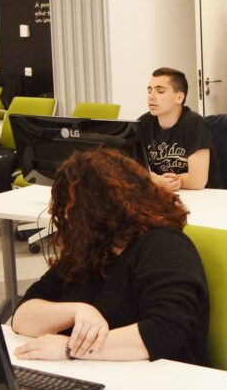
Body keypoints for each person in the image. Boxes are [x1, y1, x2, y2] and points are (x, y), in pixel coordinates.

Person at [11, 148, 209, 365]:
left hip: (160, 375)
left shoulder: (164, 245)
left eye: (74, 208)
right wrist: (78, 311)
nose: (66, 216)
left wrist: (71, 348)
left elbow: (166, 331)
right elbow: (22, 317)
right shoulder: (90, 247)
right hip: (97, 370)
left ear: (102, 208)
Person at [137, 67, 218, 191]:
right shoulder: (143, 123)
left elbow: (197, 181)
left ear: (179, 98)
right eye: (149, 91)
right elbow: (132, 170)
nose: (151, 97)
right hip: (164, 194)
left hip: (204, 196)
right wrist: (155, 180)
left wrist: (156, 180)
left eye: (160, 91)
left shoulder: (194, 123)